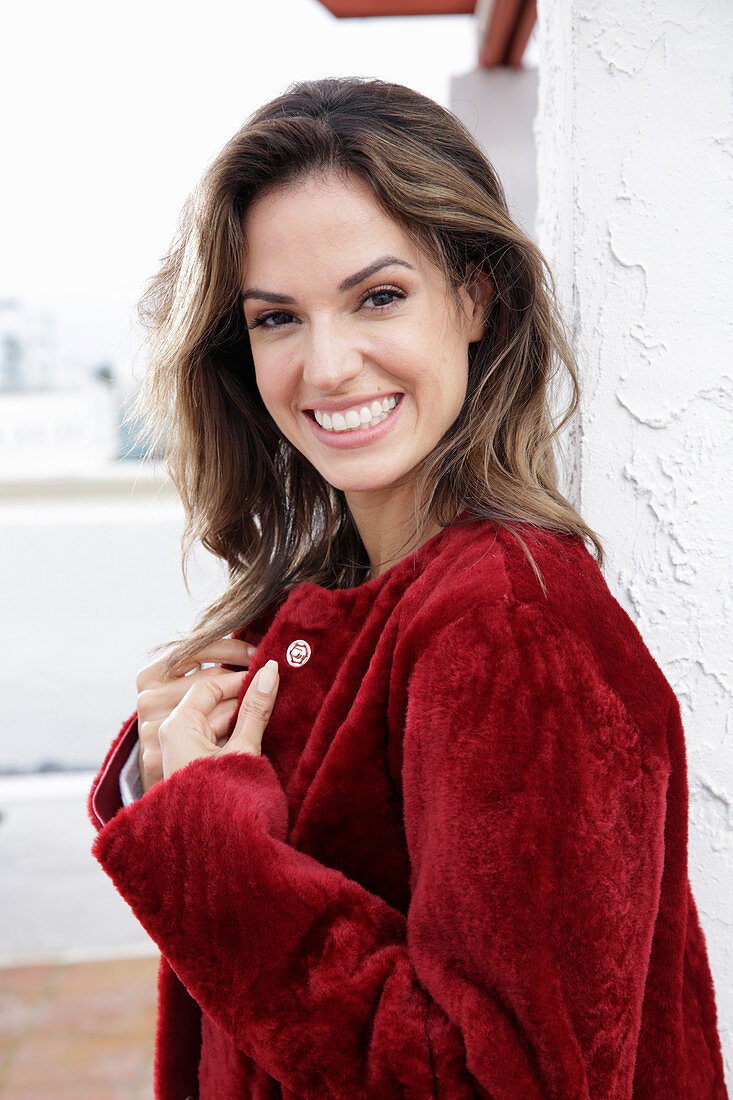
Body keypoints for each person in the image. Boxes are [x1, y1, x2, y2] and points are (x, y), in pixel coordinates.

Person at [88, 77, 728, 1099]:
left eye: (377, 296)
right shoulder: (349, 598)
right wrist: (169, 782)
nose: (326, 363)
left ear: (474, 294)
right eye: (276, 318)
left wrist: (210, 844)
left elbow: (496, 1084)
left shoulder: (512, 628)